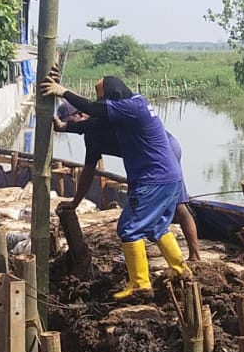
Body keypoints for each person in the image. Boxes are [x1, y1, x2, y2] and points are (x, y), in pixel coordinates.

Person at [42, 72, 191, 298]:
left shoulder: (129, 108)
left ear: (115, 95)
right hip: (169, 176)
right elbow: (92, 123)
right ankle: (181, 271)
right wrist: (64, 128)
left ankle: (140, 284)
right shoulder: (135, 105)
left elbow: (94, 111)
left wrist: (62, 91)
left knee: (128, 229)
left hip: (152, 179)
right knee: (158, 226)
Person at [56, 106, 201, 264]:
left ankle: (190, 256)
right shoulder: (90, 137)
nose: (72, 129)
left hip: (160, 151)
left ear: (81, 114)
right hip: (148, 158)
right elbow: (89, 171)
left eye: (71, 123)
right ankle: (144, 253)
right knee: (173, 204)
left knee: (169, 206)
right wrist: (75, 202)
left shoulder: (104, 119)